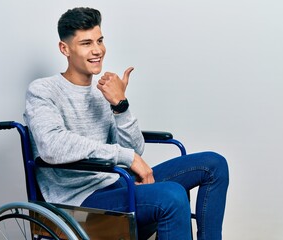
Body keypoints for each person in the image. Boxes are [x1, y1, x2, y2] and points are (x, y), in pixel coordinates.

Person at [24, 7, 229, 240]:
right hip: (79, 201)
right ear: (65, 48)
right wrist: (127, 158)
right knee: (171, 195)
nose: (97, 50)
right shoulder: (43, 90)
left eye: (100, 40)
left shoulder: (103, 91)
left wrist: (120, 105)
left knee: (214, 164)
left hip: (117, 183)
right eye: (86, 43)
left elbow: (135, 149)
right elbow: (52, 146)